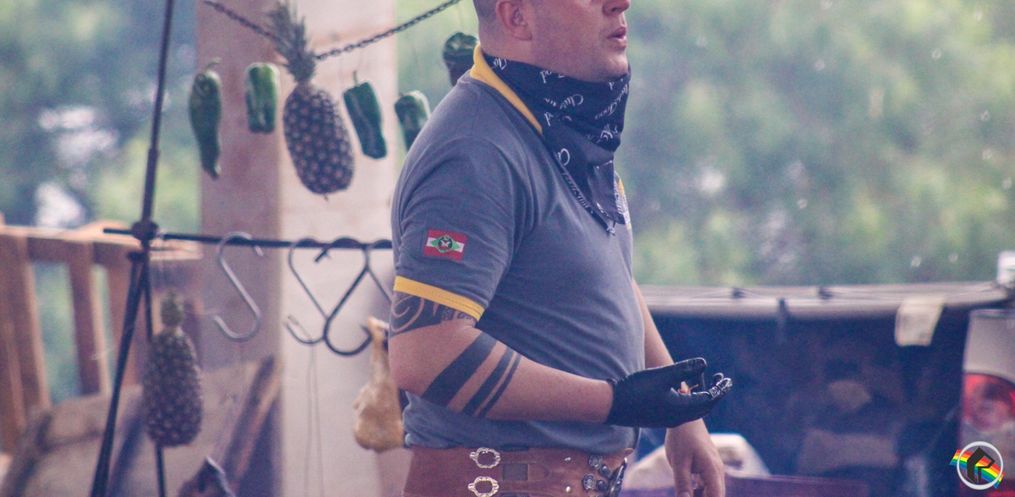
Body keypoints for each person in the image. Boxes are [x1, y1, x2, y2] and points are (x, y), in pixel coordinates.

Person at [388, 1, 733, 496]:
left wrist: (678, 410)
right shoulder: (475, 150)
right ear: (517, 17)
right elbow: (425, 353)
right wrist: (614, 402)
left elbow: (602, 273)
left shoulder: (561, 127)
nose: (620, 3)